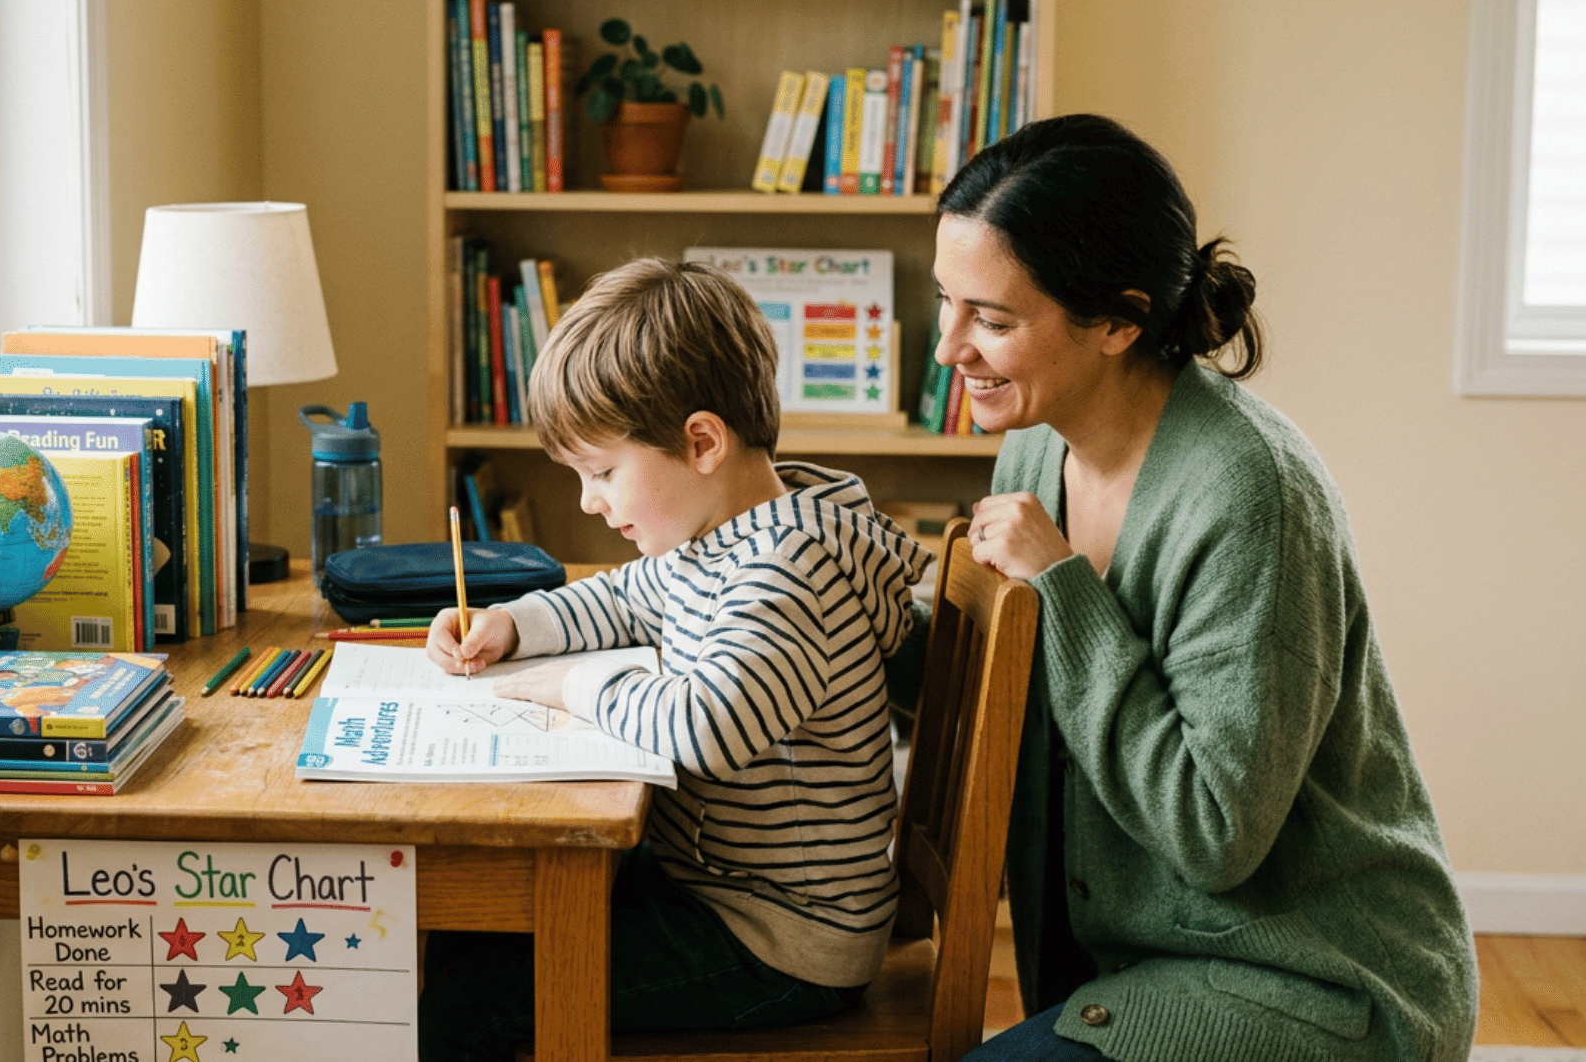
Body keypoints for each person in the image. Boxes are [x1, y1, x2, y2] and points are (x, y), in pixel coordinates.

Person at [932, 114, 1477, 1061]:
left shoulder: (1247, 491)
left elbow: (1215, 830)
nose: (949, 349)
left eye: (992, 318)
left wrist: (1063, 585)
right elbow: (998, 679)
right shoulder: (1035, 444)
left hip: (1315, 977)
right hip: (1139, 968)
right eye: (947, 303)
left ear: (1117, 320)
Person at [418, 257, 932, 1062]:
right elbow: (624, 598)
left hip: (780, 937)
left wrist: (570, 683)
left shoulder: (787, 567)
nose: (591, 501)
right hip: (724, 888)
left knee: (469, 997)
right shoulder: (729, 532)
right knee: (466, 927)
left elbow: (705, 726)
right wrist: (511, 625)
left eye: (604, 472)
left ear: (701, 442)